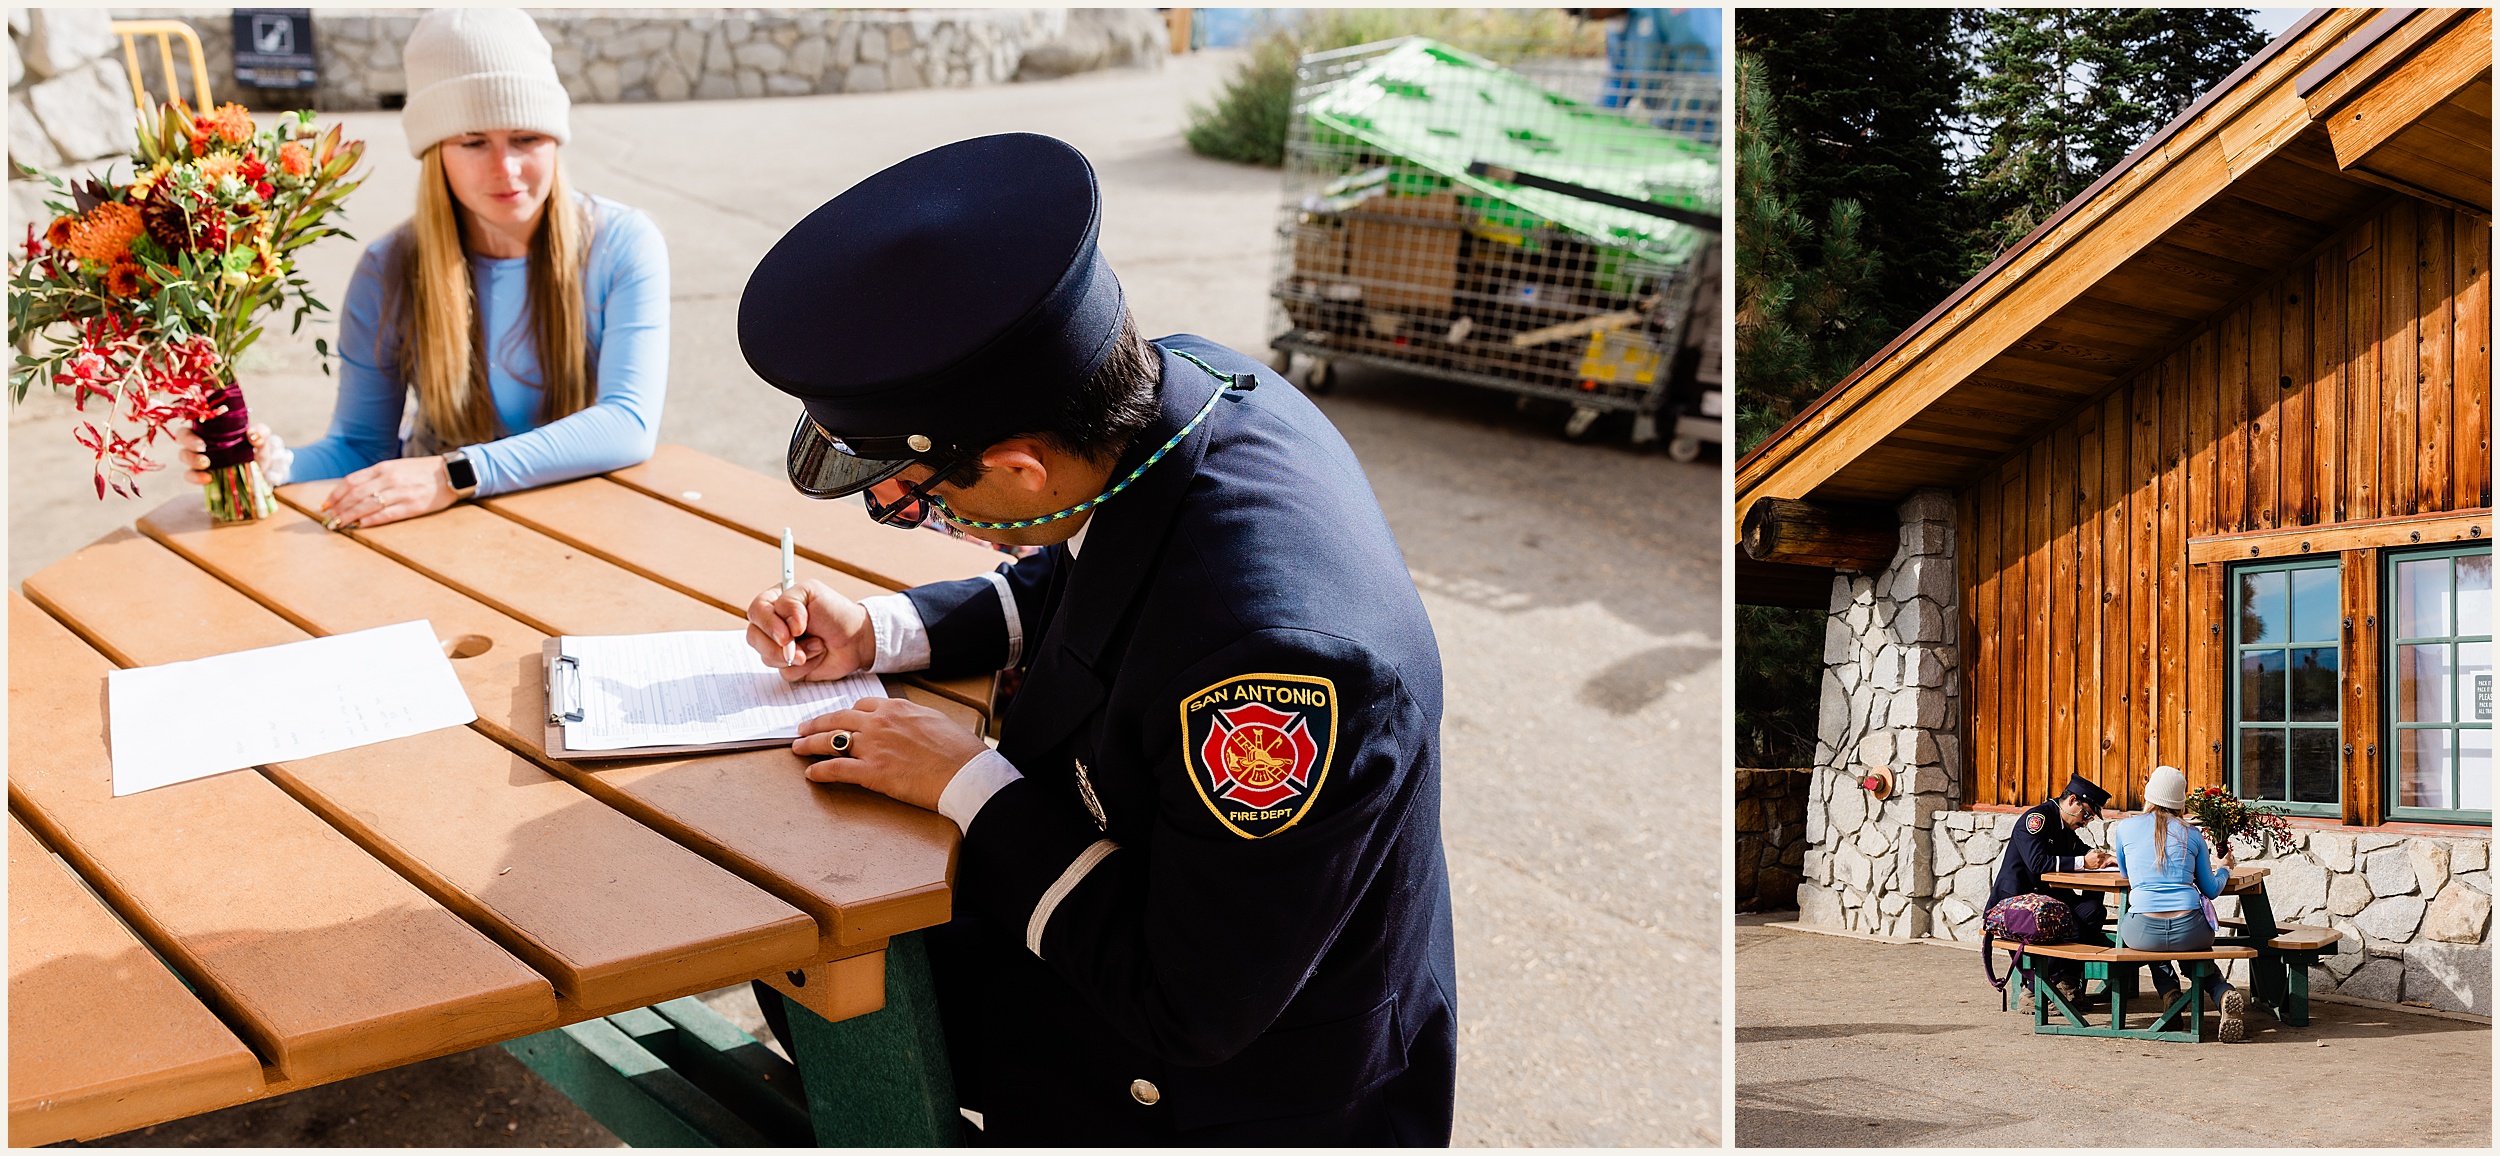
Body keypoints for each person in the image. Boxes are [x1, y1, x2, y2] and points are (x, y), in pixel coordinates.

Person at [735, 133, 1455, 1143]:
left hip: (1224, 1091)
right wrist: (881, 631)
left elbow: (1187, 1001)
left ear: (1022, 469)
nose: (916, 519)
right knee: (810, 957)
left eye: (919, 504)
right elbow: (1085, 568)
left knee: (832, 968)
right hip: (1169, 939)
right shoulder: (1183, 395)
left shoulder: (1275, 674)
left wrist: (965, 779)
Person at [177, 7, 667, 528]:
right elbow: (361, 446)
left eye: (527, 137)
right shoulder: (388, 268)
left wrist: (454, 474)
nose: (507, 168)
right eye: (473, 142)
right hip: (436, 537)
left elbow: (627, 423)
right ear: (436, 153)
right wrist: (269, 463)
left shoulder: (621, 243)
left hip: (585, 525)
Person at [2110, 765, 2246, 1041]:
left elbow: (2126, 875)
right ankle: (2222, 994)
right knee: (2191, 952)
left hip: (2143, 931)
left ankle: (2170, 994)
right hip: (2191, 929)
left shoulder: (2125, 828)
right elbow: (2210, 889)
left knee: (2151, 943)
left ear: (2148, 795)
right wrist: (2224, 868)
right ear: (2180, 802)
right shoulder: (2192, 834)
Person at [1987, 772, 2115, 1007]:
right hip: (2019, 902)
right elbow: (2037, 864)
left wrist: (2106, 858)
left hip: (2047, 898)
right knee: (2071, 926)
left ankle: (2066, 983)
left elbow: (2080, 849)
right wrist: (2083, 863)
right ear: (2072, 800)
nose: (2086, 822)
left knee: (2092, 912)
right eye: (2086, 814)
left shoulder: (2065, 824)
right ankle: (2036, 990)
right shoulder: (2038, 819)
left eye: (2090, 818)